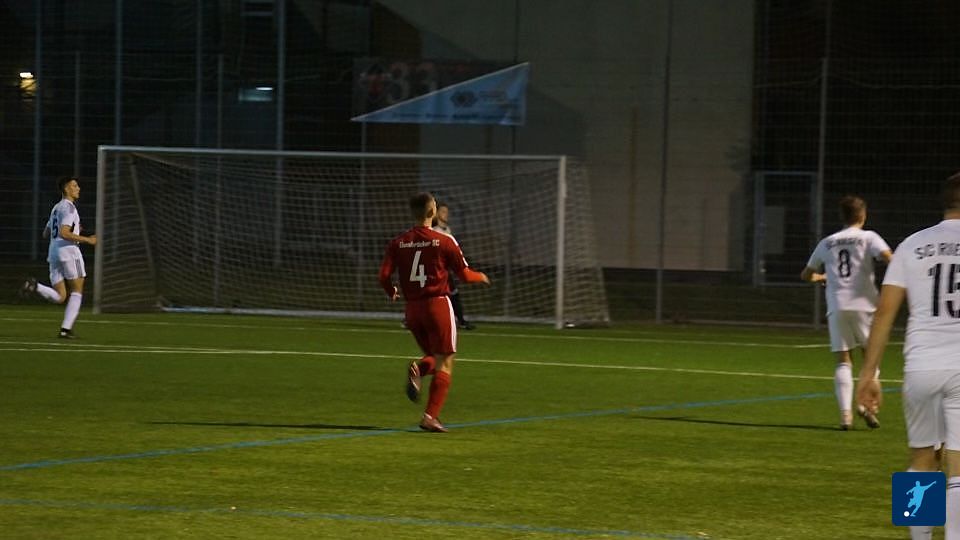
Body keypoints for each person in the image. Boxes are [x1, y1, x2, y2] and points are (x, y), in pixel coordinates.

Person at [857, 172, 960, 540]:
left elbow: (885, 313)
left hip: (921, 366)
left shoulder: (912, 244)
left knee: (921, 460)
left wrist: (868, 374)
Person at [379, 193, 490, 433]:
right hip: (437, 305)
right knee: (446, 360)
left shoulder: (398, 242)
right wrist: (481, 277)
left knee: (434, 356)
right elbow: (465, 275)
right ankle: (430, 416)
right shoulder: (444, 240)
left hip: (412, 310)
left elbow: (383, 275)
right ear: (432, 212)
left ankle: (419, 371)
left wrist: (391, 291)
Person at [800, 195, 892, 430]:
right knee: (870, 359)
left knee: (843, 360)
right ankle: (867, 407)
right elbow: (887, 257)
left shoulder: (827, 242)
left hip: (837, 304)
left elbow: (806, 274)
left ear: (842, 216)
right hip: (865, 305)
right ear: (863, 215)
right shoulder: (868, 237)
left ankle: (845, 416)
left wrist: (822, 277)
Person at [20, 176, 97, 339]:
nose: (78, 188)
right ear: (66, 189)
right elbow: (64, 232)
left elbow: (46, 233)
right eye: (75, 186)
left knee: (61, 296)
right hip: (69, 252)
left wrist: (75, 229)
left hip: (54, 253)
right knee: (77, 291)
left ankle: (35, 286)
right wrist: (87, 239)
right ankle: (65, 330)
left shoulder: (56, 208)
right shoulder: (69, 208)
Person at [432, 202, 474, 330]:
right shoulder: (434, 231)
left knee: (452, 293)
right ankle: (460, 321)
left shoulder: (447, 230)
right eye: (443, 212)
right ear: (436, 214)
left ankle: (460, 320)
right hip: (435, 269)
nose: (446, 214)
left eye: (447, 212)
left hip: (444, 269)